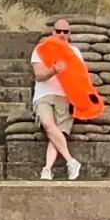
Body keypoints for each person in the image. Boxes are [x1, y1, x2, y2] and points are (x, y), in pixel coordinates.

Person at [31, 17, 84, 180]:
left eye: (65, 31)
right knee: (48, 124)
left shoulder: (75, 52)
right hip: (44, 95)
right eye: (58, 31)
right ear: (53, 32)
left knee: (56, 132)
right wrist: (52, 71)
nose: (61, 34)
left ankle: (47, 169)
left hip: (65, 96)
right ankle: (70, 161)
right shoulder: (40, 50)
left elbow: (81, 78)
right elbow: (39, 75)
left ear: (69, 34)